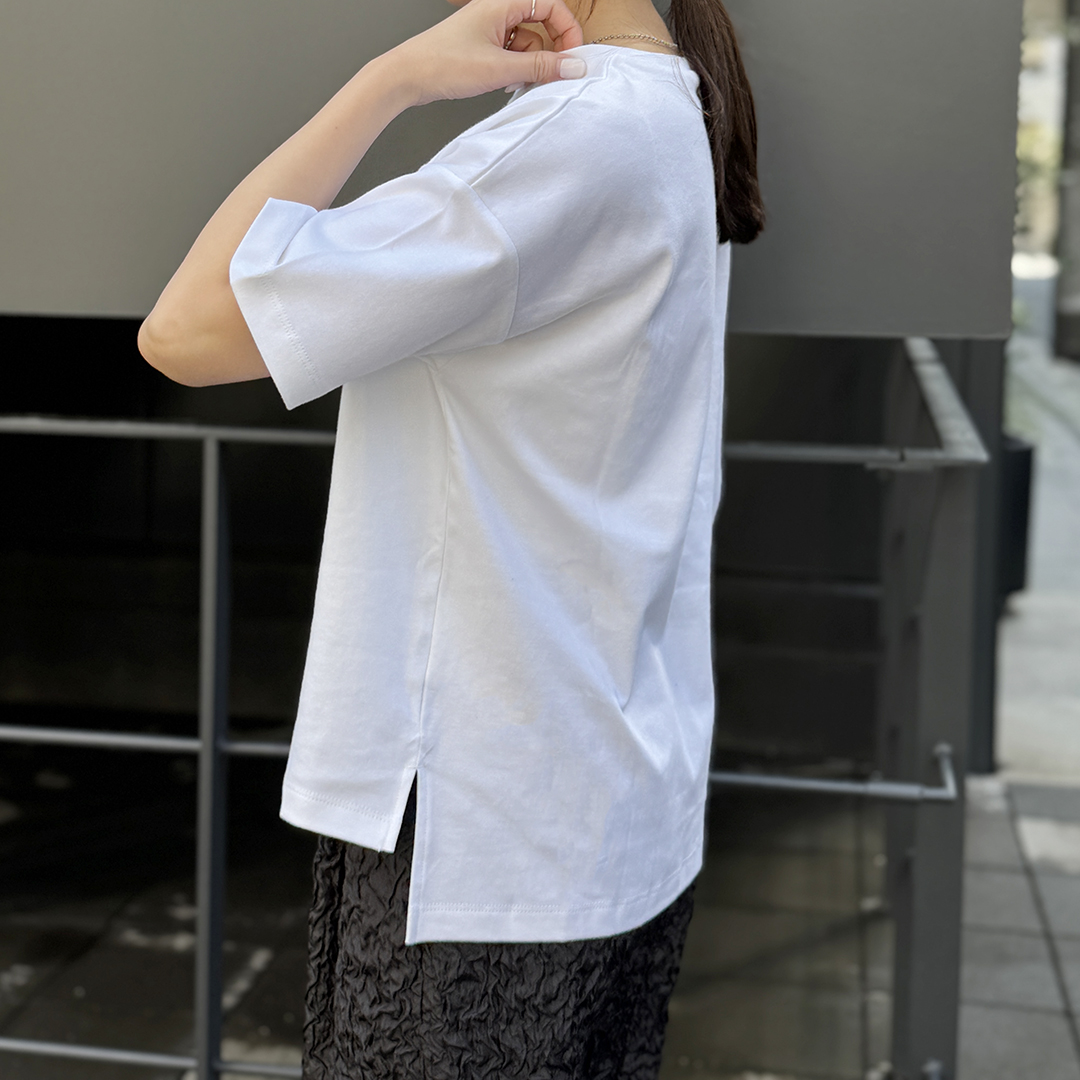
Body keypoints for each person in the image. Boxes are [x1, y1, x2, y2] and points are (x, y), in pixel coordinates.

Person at [139, 0, 763, 1074]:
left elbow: (184, 330)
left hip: (478, 824)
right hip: (598, 800)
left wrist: (393, 78)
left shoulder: (567, 142)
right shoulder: (674, 110)